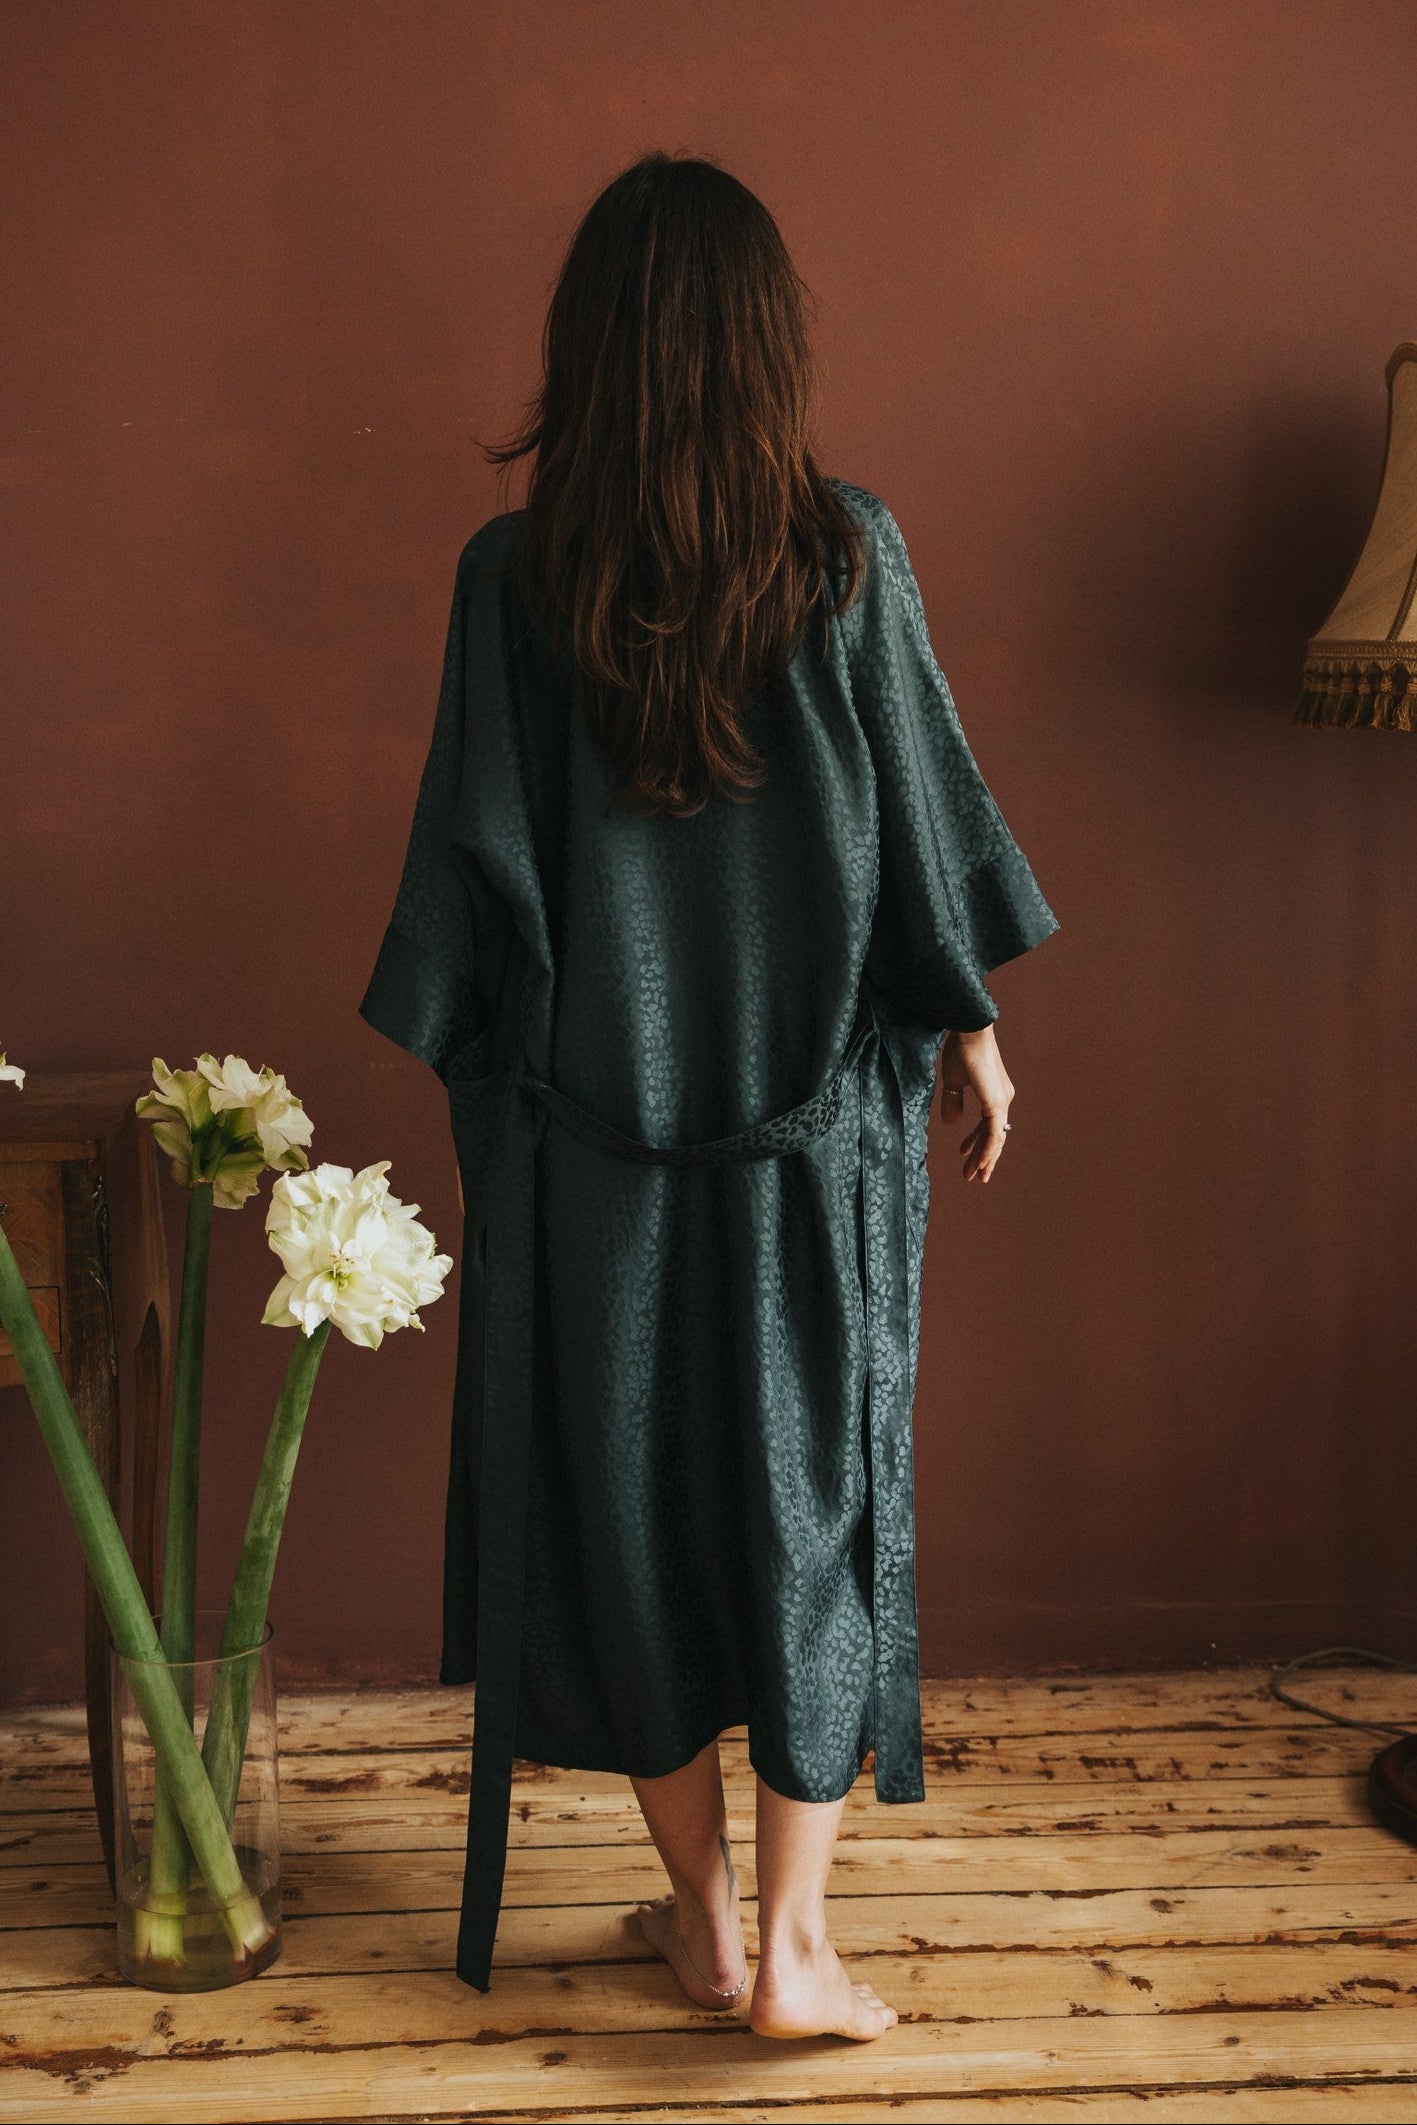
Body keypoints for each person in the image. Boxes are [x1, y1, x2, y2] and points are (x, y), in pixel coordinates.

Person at [358, 149, 1058, 2042]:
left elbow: (465, 909)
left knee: (627, 1514)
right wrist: (972, 1033)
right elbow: (924, 847)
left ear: (586, 345)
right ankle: (800, 1950)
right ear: (763, 345)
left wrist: (511, 1115)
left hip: (592, 1166)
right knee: (811, 1508)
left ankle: (704, 1921)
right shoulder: (847, 551)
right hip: (814, 1158)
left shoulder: (511, 579)